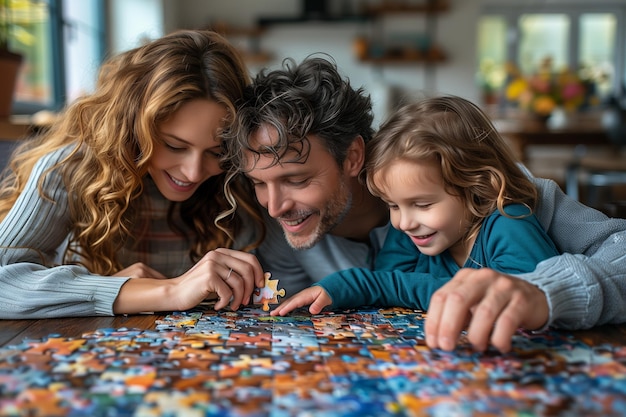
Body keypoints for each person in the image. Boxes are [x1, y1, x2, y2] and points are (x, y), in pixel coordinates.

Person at [224, 56, 626, 353]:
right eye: (258, 183)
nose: (274, 206)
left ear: (352, 158)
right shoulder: (281, 230)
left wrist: (545, 291)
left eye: (296, 179)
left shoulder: (506, 196)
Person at [0, 29, 267, 320]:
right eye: (174, 146)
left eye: (217, 152)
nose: (192, 172)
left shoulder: (242, 176)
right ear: (134, 126)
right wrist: (155, 291)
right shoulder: (70, 170)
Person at [271, 95, 560, 319]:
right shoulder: (412, 232)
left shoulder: (510, 224)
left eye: (422, 204)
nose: (403, 222)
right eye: (392, 205)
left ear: (479, 186)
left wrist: (358, 283)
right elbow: (386, 284)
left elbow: (529, 300)